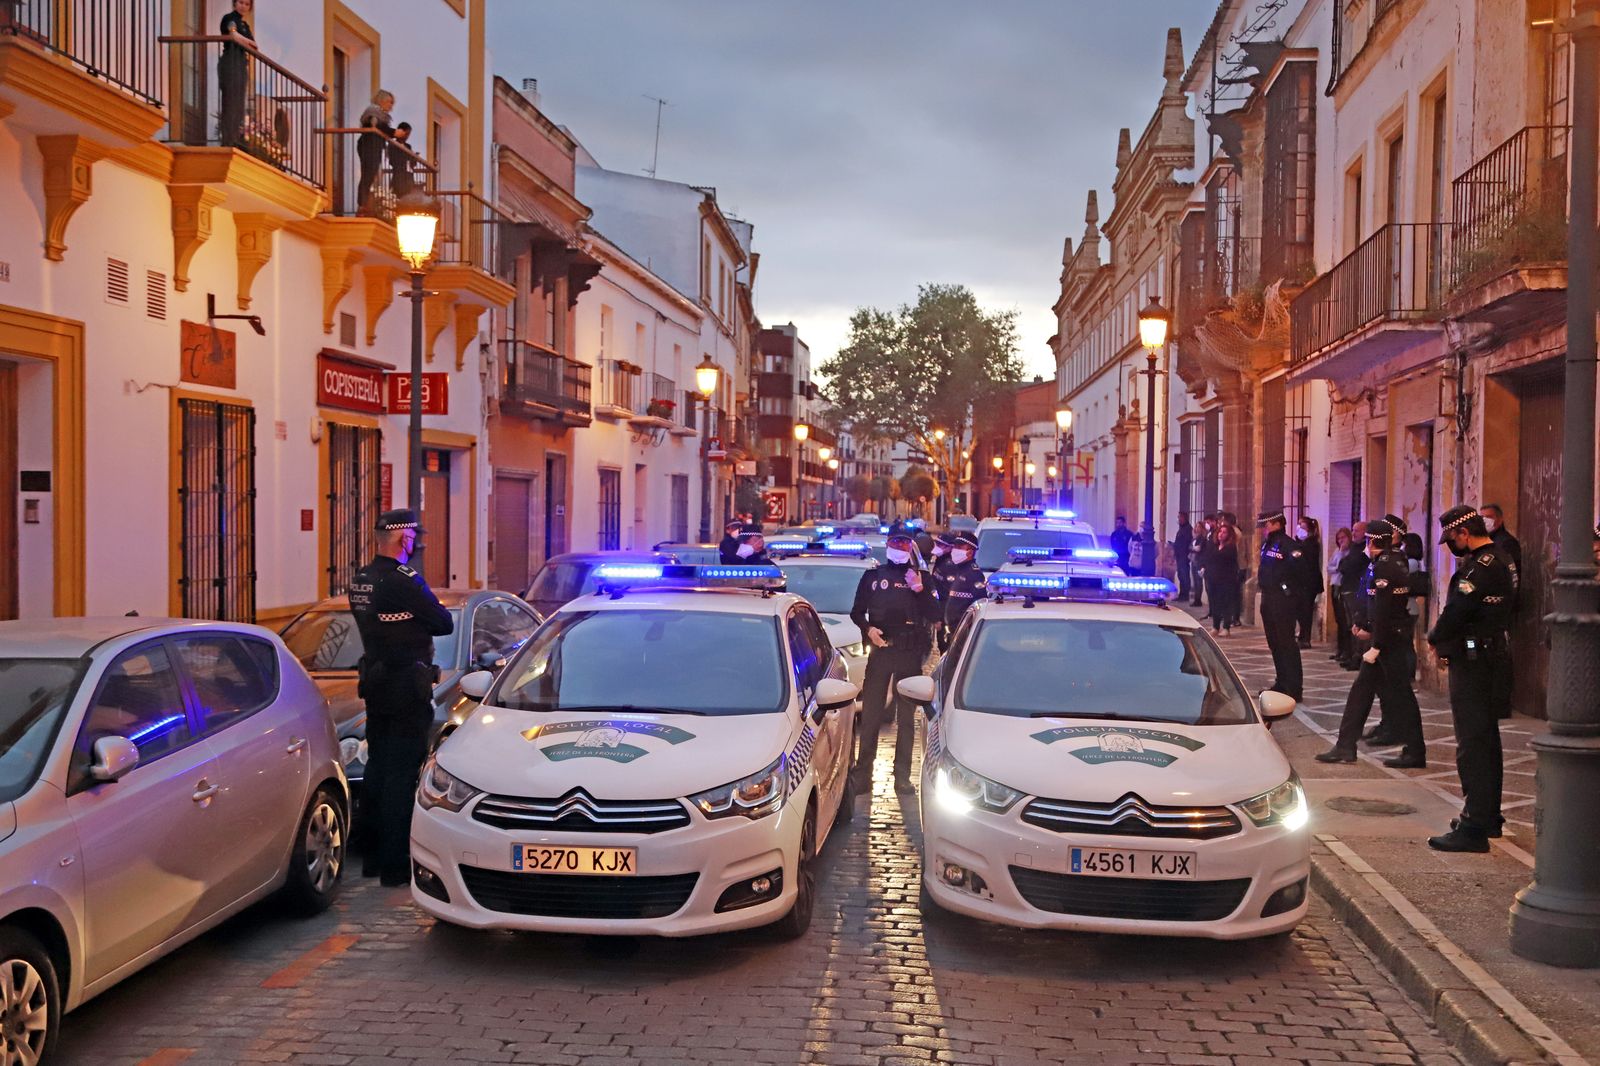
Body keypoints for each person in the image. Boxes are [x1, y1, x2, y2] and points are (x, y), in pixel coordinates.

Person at [349, 509, 454, 885]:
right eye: (414, 538)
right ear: (403, 540)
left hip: (376, 683)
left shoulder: (362, 579)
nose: (416, 545)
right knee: (401, 773)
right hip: (406, 685)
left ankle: (372, 859)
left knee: (377, 768)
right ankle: (394, 866)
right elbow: (444, 622)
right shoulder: (403, 581)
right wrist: (414, 616)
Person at [1425, 506, 1518, 852]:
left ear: (1464, 533)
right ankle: (1487, 815)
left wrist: (1434, 638)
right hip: (1491, 656)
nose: (1452, 545)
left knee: (1473, 744)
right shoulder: (1503, 557)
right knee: (1486, 741)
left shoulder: (1480, 567)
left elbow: (1457, 612)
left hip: (1476, 661)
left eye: (1452, 538)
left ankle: (1475, 827)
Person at [1315, 518, 1426, 768]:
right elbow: (1372, 602)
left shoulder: (1386, 565)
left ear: (1373, 541)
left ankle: (1415, 751)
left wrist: (1375, 642)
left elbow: (1385, 608)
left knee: (1402, 696)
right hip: (1384, 638)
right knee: (1361, 692)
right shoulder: (1389, 561)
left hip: (1388, 641)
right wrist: (1364, 625)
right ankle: (1345, 746)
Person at [850, 532, 939, 794]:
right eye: (893, 546)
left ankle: (902, 776)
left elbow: (935, 614)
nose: (897, 550)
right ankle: (863, 774)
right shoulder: (873, 577)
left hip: (909, 654)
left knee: (907, 718)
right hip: (881, 652)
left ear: (909, 551)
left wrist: (920, 590)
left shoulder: (922, 578)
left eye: (902, 547)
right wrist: (869, 630)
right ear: (887, 549)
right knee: (871, 715)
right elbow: (856, 611)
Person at [1256, 510, 1305, 703]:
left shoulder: (1289, 545)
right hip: (1268, 597)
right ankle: (1282, 681)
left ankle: (1294, 686)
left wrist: (1288, 592)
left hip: (1283, 600)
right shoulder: (1268, 544)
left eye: (1266, 525)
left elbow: (1300, 573)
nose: (1264, 529)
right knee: (1274, 643)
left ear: (1277, 524)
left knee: (1286, 644)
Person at [217, 0, 256, 148]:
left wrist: (242, 39)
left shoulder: (245, 26)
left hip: (240, 64)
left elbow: (254, 45)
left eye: (247, 4)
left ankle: (234, 138)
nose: (243, 6)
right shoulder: (229, 18)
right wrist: (242, 40)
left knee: (239, 104)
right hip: (230, 62)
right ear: (235, 3)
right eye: (241, 2)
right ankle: (227, 139)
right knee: (230, 101)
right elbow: (233, 35)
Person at [939, 534, 985, 642]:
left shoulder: (974, 575)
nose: (955, 550)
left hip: (964, 634)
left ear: (970, 552)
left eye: (959, 548)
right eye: (955, 547)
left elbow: (980, 604)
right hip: (954, 632)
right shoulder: (959, 570)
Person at [357, 90, 397, 215]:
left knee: (370, 175)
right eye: (389, 102)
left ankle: (364, 204)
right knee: (367, 175)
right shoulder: (373, 111)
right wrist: (394, 132)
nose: (391, 106)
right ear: (381, 101)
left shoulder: (380, 114)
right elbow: (377, 126)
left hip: (374, 146)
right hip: (369, 145)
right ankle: (362, 204)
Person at [1337, 521, 1370, 671]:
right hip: (1347, 588)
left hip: (1356, 591)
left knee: (1358, 624)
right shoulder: (1354, 548)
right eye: (1353, 530)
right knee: (1350, 625)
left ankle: (1358, 657)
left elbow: (1352, 565)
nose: (1354, 533)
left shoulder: (1365, 549)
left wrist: (1346, 564)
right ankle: (1352, 655)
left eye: (1357, 530)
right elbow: (1342, 565)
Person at [1205, 521, 1241, 636]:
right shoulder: (1213, 545)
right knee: (1214, 603)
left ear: (1229, 535)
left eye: (1224, 532)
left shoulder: (1231, 547)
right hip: (1213, 578)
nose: (1221, 534)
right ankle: (1215, 626)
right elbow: (1208, 559)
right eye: (1220, 531)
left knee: (1226, 603)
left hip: (1226, 579)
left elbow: (1232, 564)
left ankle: (1226, 627)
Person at [1327, 527, 1355, 666]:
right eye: (1338, 538)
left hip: (1344, 587)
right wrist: (1337, 566)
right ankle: (1340, 649)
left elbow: (1343, 566)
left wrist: (1342, 556)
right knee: (1339, 620)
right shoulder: (1337, 552)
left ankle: (1347, 651)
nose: (1341, 541)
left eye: (1343, 537)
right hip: (1335, 585)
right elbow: (1330, 567)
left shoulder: (1350, 552)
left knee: (1345, 621)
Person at [1295, 516, 1323, 648]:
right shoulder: (1302, 543)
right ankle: (1302, 635)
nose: (1299, 529)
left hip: (1308, 583)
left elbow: (1307, 564)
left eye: (1303, 526)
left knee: (1306, 611)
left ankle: (1305, 638)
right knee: (1300, 611)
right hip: (1301, 583)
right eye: (1299, 525)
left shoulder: (1311, 544)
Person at [1479, 504, 1523, 571]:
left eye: (1489, 517)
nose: (1484, 520)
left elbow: (1510, 571)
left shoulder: (1508, 543)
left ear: (1500, 520)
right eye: (1482, 517)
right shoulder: (1485, 540)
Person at [1190, 515, 1215, 608]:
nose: (1197, 528)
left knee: (1199, 581)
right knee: (1195, 581)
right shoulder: (1195, 537)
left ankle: (1198, 599)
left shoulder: (1203, 538)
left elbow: (1200, 549)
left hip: (1200, 561)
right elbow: (1190, 547)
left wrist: (1194, 548)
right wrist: (1193, 548)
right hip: (1194, 560)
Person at [389, 121, 415, 199]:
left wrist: (414, 158)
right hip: (399, 176)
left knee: (408, 198)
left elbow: (412, 162)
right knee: (399, 197)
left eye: (408, 134)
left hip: (408, 177)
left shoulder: (408, 146)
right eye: (406, 134)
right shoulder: (393, 144)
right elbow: (393, 160)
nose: (407, 137)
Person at [1173, 514, 1194, 602]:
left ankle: (1185, 595)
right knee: (1181, 575)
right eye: (1178, 518)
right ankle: (1182, 594)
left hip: (1184, 555)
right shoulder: (1181, 529)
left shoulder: (1188, 529)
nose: (1179, 519)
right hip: (1179, 555)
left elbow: (1187, 542)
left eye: (1180, 518)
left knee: (1184, 575)